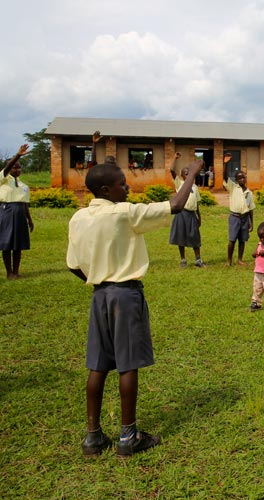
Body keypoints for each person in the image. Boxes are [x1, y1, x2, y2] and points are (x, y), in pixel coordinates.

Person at [67, 159, 202, 457]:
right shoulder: (125, 214)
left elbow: (73, 265)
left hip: (99, 295)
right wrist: (192, 173)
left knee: (98, 365)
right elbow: (176, 204)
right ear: (105, 189)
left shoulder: (77, 218)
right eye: (122, 183)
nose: (127, 187)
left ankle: (93, 437)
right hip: (125, 294)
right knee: (127, 364)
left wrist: (98, 278)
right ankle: (128, 436)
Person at [0, 144, 32, 279]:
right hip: (6, 212)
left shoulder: (24, 186)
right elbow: (6, 169)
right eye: (14, 167)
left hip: (19, 214)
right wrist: (18, 155)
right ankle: (9, 272)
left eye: (19, 167)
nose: (17, 169)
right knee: (7, 244)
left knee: (18, 244)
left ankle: (16, 271)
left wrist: (29, 219)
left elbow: (25, 204)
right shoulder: (3, 180)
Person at [168, 152, 204, 268]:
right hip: (181, 214)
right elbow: (171, 170)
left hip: (192, 214)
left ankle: (198, 260)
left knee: (195, 237)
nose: (188, 174)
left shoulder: (195, 187)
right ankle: (183, 259)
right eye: (185, 173)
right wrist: (174, 158)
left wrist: (199, 216)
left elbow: (197, 204)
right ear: (182, 176)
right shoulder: (180, 184)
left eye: (189, 173)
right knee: (181, 236)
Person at [222, 153, 255, 266]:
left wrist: (252, 222)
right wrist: (225, 164)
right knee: (232, 240)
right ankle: (229, 260)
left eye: (243, 177)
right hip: (234, 217)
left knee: (242, 240)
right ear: (236, 180)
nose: (241, 179)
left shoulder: (249, 192)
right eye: (239, 178)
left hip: (245, 218)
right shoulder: (232, 188)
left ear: (246, 178)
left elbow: (251, 208)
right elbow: (225, 177)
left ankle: (240, 259)